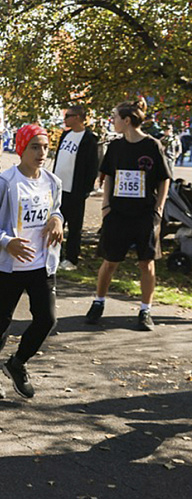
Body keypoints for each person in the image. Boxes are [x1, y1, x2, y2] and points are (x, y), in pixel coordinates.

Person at [0, 124, 63, 399]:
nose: (41, 152)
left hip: (41, 264)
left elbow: (56, 209)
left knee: (46, 319)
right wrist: (4, 241)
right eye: (35, 146)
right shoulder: (6, 181)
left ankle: (18, 362)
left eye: (45, 147)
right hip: (10, 266)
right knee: (0, 322)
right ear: (22, 148)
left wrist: (57, 220)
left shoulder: (51, 181)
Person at [85, 99, 172, 331]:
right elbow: (109, 175)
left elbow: (164, 178)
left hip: (145, 213)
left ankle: (145, 310)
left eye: (115, 117)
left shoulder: (153, 146)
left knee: (146, 262)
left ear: (127, 120)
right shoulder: (115, 146)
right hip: (118, 213)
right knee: (110, 260)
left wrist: (159, 208)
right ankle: (98, 302)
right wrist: (106, 205)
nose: (112, 121)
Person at [53, 105, 100, 271]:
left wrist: (85, 190)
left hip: (75, 190)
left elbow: (92, 166)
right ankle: (54, 255)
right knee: (56, 222)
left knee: (74, 227)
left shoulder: (89, 139)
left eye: (69, 116)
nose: (65, 120)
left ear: (79, 117)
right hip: (59, 188)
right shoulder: (66, 135)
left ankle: (71, 258)